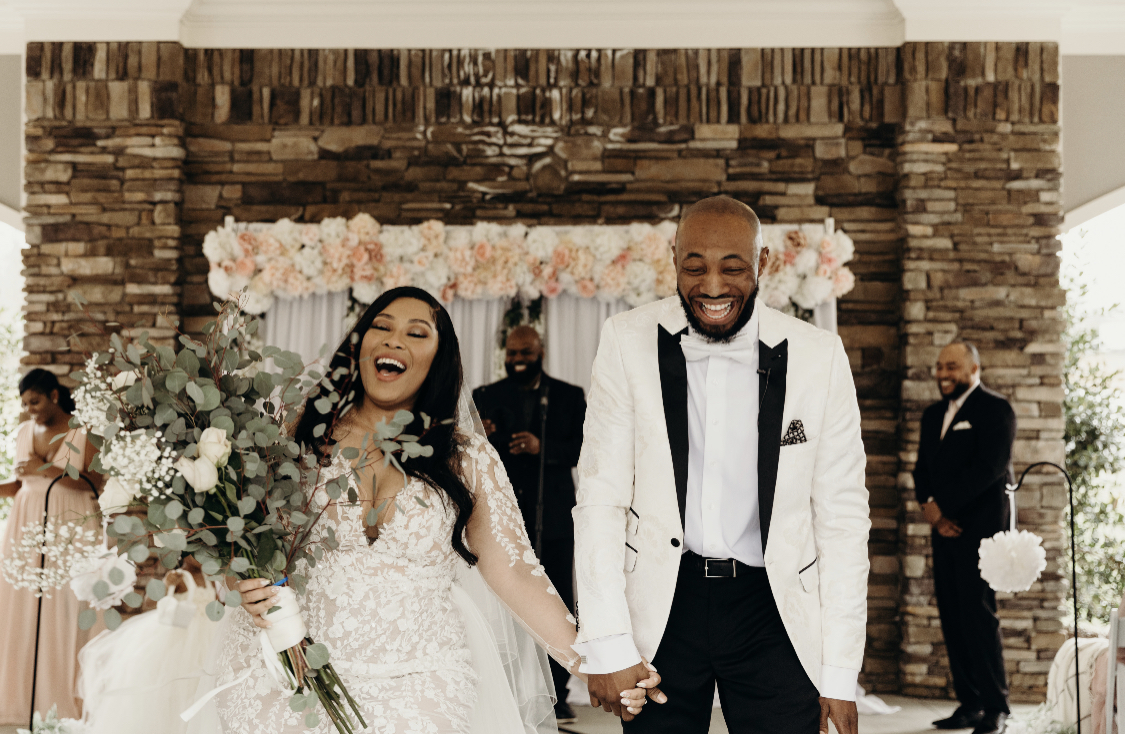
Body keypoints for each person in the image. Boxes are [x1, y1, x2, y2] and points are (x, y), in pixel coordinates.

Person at [216, 286, 661, 734]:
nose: (394, 341)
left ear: (438, 358)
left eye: (416, 333)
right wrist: (243, 581)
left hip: (423, 675)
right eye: (382, 327)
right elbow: (243, 537)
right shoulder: (296, 435)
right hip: (292, 666)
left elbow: (514, 572)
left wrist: (598, 662)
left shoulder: (467, 459)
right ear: (359, 345)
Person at [573, 196, 870, 733]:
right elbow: (600, 498)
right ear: (674, 261)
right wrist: (607, 642)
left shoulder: (818, 356)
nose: (712, 285)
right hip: (664, 605)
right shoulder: (625, 341)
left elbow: (843, 519)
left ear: (763, 264)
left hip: (774, 610)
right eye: (695, 266)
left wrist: (840, 674)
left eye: (732, 266)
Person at [473, 325, 587, 723]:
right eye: (512, 354)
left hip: (553, 515)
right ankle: (507, 689)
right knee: (501, 600)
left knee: (555, 597)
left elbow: (586, 449)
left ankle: (559, 694)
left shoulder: (568, 396)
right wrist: (482, 434)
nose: (518, 360)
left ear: (541, 350)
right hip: (499, 517)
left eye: (525, 353)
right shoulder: (486, 396)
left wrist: (544, 449)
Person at [914, 342, 1015, 734]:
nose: (943, 373)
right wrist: (929, 507)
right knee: (952, 618)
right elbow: (921, 467)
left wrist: (943, 509)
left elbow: (989, 468)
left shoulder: (995, 409)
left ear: (974, 366)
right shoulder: (933, 414)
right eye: (939, 366)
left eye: (952, 366)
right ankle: (969, 704)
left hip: (980, 534)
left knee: (979, 618)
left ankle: (996, 707)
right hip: (944, 532)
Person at [0, 368, 104, 724]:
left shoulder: (80, 432)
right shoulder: (25, 432)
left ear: (54, 396)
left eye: (36, 401)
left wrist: (46, 469)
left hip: (70, 523)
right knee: (22, 604)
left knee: (65, 605)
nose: (31, 410)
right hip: (26, 524)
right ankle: (20, 698)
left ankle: (63, 700)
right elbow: (20, 483)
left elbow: (95, 482)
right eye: (26, 405)